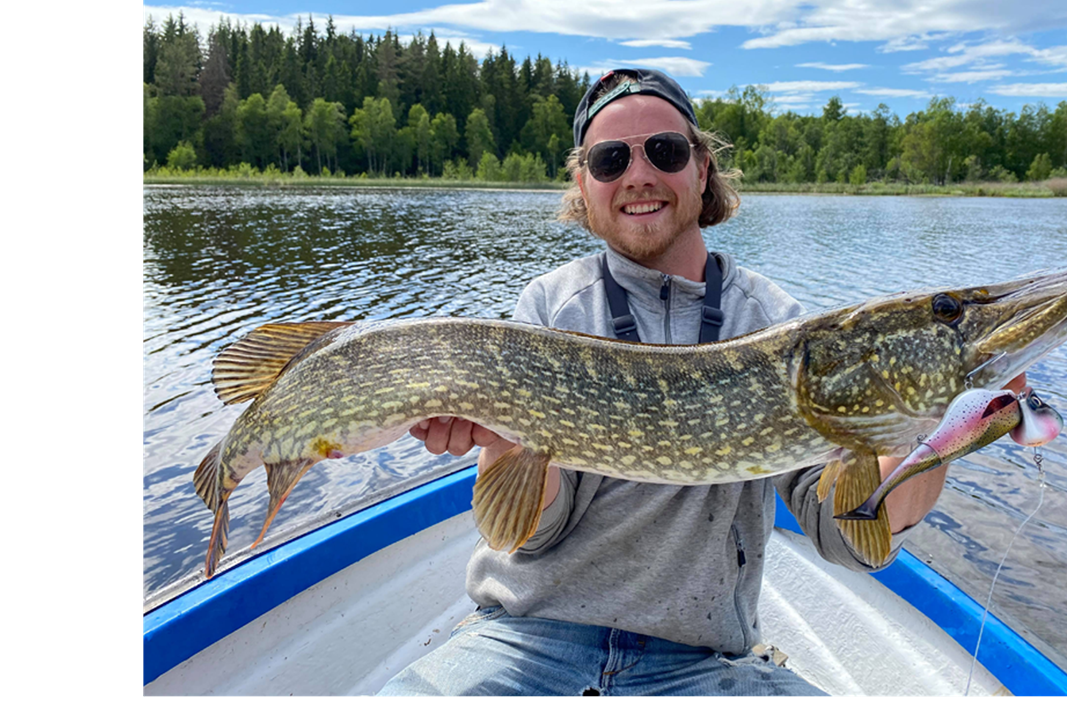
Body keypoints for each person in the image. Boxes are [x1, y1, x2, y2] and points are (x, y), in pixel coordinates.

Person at [378, 68, 1016, 697]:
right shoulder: (549, 310)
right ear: (583, 183)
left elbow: (852, 541)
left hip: (704, 666)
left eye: (665, 150)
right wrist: (505, 441)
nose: (639, 175)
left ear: (701, 169)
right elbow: (532, 531)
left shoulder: (775, 325)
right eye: (609, 160)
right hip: (526, 641)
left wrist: (934, 432)